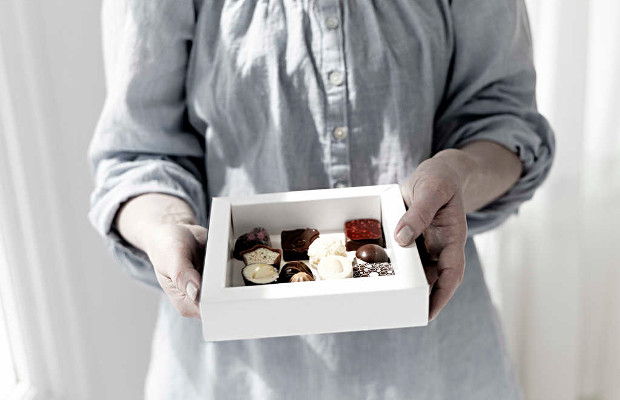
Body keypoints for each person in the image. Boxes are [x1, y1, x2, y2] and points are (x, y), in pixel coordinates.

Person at [88, 0, 554, 399]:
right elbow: (139, 155)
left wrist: (459, 174)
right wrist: (165, 226)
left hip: (435, 361)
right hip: (237, 374)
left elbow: (504, 123)